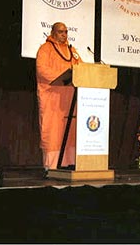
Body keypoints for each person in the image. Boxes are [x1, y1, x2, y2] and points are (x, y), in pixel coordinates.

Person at [36, 22, 82, 177]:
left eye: (66, 32)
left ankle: (69, 162)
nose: (64, 34)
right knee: (53, 132)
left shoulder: (72, 50)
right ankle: (52, 165)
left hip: (69, 98)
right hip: (52, 98)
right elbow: (42, 70)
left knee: (70, 130)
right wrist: (63, 74)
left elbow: (81, 68)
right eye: (61, 32)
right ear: (53, 32)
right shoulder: (45, 49)